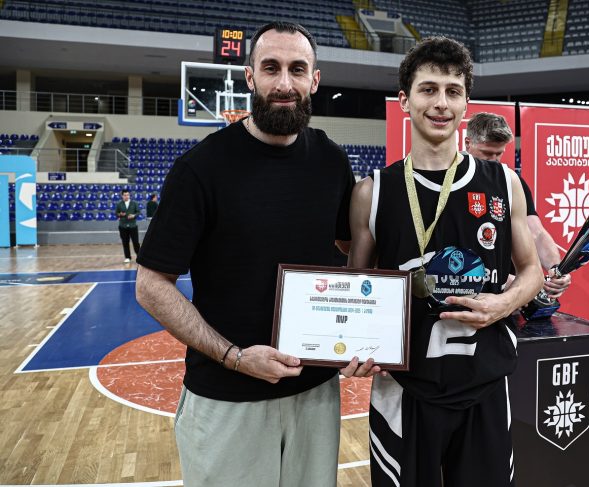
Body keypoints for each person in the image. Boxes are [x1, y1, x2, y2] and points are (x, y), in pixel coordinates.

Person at [135, 22, 377, 487]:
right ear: (250, 77)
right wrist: (234, 356)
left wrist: (361, 336)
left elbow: (353, 259)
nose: (284, 83)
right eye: (271, 68)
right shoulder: (200, 169)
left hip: (315, 395)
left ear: (314, 80)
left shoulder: (330, 159)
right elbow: (150, 286)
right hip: (227, 396)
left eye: (297, 69)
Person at [348, 37, 543, 486]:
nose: (441, 103)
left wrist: (503, 304)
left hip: (485, 385)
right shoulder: (372, 192)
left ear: (466, 104)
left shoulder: (505, 182)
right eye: (428, 89)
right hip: (403, 390)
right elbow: (356, 288)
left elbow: (532, 271)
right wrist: (353, 346)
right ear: (404, 101)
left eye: (453, 91)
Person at [464, 112, 571, 298]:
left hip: (507, 296)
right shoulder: (450, 181)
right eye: (487, 153)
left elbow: (536, 233)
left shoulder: (510, 181)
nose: (494, 160)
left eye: (499, 153)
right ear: (468, 143)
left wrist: (556, 269)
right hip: (462, 290)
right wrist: (510, 281)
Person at [115, 189, 140, 264]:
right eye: (125, 195)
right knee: (125, 242)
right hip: (123, 226)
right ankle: (127, 257)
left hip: (133, 226)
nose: (126, 196)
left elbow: (138, 212)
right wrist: (120, 214)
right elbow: (116, 213)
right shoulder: (119, 204)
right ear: (122, 196)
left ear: (129, 195)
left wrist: (134, 215)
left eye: (127, 195)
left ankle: (139, 257)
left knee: (136, 242)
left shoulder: (134, 203)